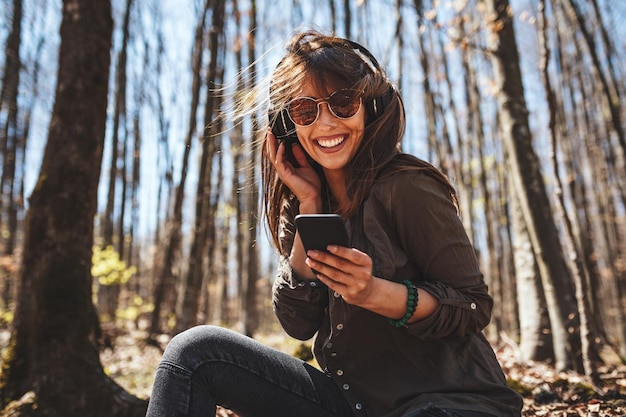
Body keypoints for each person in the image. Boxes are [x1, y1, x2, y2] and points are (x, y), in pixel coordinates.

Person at [145, 30, 524, 417]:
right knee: (194, 353)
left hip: (448, 403)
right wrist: (309, 205)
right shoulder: (305, 205)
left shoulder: (407, 185)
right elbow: (296, 322)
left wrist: (376, 293)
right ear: (290, 124)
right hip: (351, 406)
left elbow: (472, 305)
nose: (325, 124)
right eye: (306, 110)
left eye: (342, 103)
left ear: (368, 107)